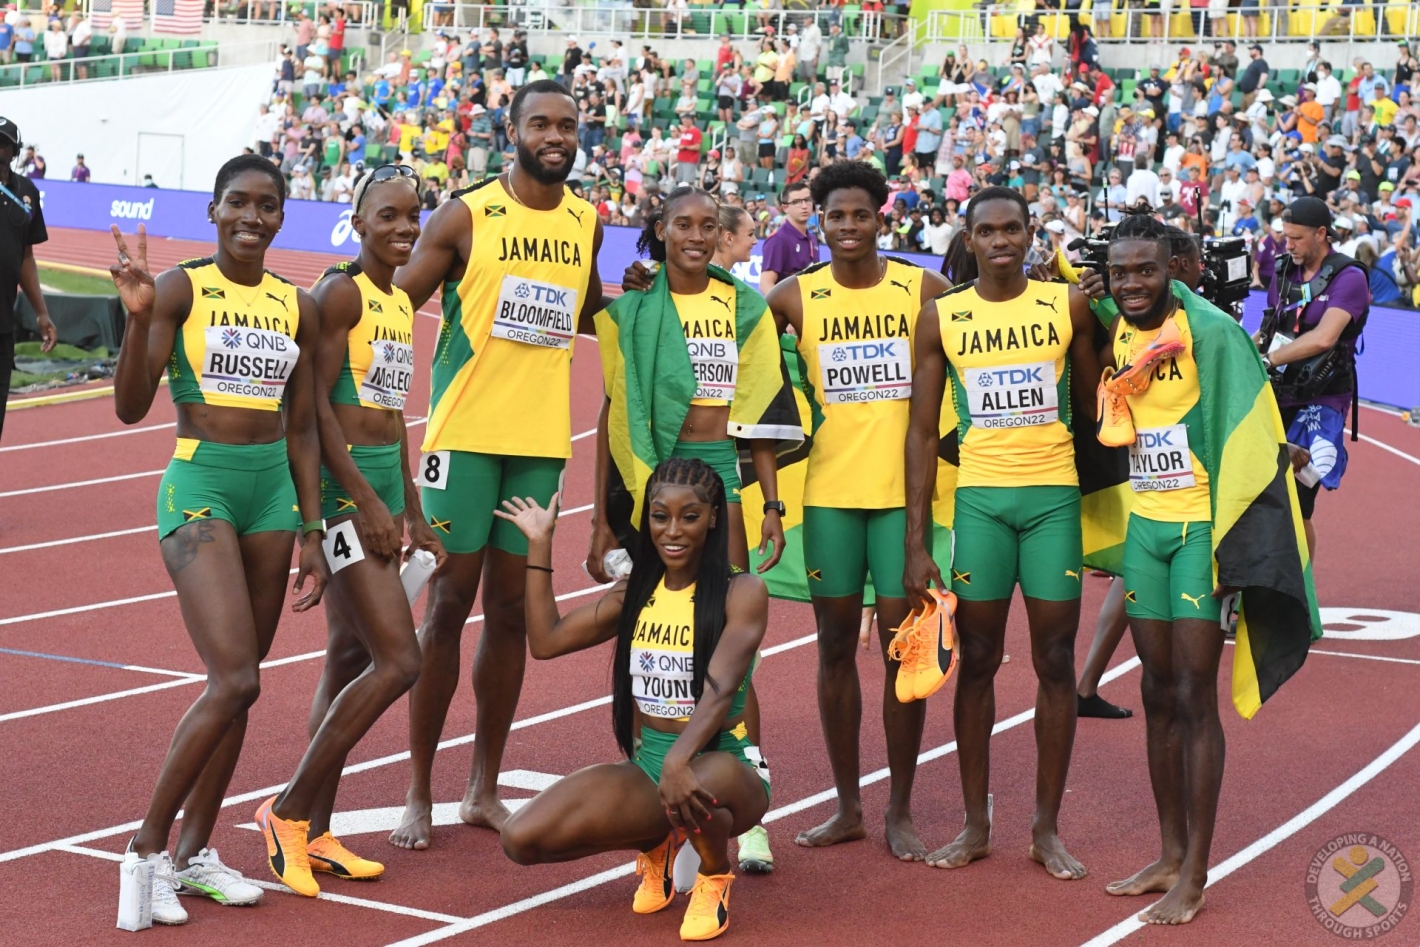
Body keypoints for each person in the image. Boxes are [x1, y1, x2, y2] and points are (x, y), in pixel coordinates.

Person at [108, 155, 329, 923]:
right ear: (213, 210)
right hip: (201, 484)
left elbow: (303, 427)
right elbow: (131, 407)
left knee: (245, 685)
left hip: (273, 492)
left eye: (267, 205)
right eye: (237, 202)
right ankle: (144, 850)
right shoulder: (180, 288)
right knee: (233, 678)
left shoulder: (296, 305)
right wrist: (138, 322)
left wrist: (311, 525)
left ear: (280, 217)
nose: (251, 216)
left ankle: (194, 852)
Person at [388, 80, 605, 850]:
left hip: (541, 446)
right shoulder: (467, 214)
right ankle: (418, 789)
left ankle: (482, 786)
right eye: (541, 123)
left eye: (568, 124)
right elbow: (399, 293)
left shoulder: (586, 221)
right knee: (447, 609)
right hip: (464, 441)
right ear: (510, 131)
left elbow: (586, 312)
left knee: (512, 616)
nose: (556, 135)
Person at [1094, 213, 1317, 924]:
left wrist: (1232, 543)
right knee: (1154, 688)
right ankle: (1166, 851)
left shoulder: (1211, 335)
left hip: (1198, 534)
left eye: (1146, 270)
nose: (1133, 283)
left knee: (1193, 694)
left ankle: (1196, 870)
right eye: (1120, 271)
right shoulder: (1120, 328)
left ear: (1175, 268)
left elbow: (1252, 437)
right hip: (1145, 531)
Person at [594, 185, 800, 875]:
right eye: (683, 224)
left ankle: (750, 816)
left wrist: (770, 501)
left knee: (733, 652)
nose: (697, 235)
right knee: (653, 636)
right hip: (656, 481)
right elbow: (614, 413)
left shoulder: (741, 305)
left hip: (721, 477)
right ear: (660, 228)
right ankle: (659, 804)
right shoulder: (634, 310)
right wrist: (602, 518)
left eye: (709, 226)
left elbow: (761, 411)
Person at [254, 167, 445, 895]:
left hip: (381, 492)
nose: (404, 228)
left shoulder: (398, 299)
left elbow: (391, 413)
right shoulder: (339, 294)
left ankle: (321, 830)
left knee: (345, 658)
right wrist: (363, 501)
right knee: (400, 661)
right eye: (388, 215)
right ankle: (289, 810)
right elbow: (315, 412)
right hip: (343, 496)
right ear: (357, 220)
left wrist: (413, 510)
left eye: (413, 217)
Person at [904, 186, 1100, 879]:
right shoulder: (941, 316)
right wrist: (916, 539)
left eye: (1012, 228)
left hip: (1052, 502)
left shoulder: (1064, 306)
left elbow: (1097, 407)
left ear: (1031, 233)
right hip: (981, 505)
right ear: (968, 236)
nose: (1000, 241)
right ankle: (975, 823)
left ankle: (1046, 830)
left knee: (1055, 660)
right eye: (986, 230)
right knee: (978, 658)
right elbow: (922, 431)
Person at [498, 458, 771, 941]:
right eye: (660, 515)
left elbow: (720, 688)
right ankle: (655, 844)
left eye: (689, 516)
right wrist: (539, 546)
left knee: (691, 782)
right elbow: (546, 641)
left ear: (712, 517)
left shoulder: (741, 591)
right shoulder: (636, 593)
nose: (673, 530)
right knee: (519, 839)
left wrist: (679, 760)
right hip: (653, 766)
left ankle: (713, 876)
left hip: (728, 764)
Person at [765, 160, 951, 860]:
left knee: (907, 655)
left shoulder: (921, 289)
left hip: (903, 505)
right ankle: (848, 805)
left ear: (883, 217)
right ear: (818, 220)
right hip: (831, 500)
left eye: (860, 215)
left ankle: (899, 808)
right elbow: (731, 334)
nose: (847, 227)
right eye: (834, 216)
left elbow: (989, 312)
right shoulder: (793, 296)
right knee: (835, 648)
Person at [1262, 196, 1370, 558]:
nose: (1287, 245)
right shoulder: (1282, 271)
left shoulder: (1349, 277)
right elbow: (1270, 327)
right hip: (1278, 394)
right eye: (1285, 237)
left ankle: (1301, 591)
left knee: (1299, 501)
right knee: (1265, 496)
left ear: (1322, 234)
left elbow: (1325, 337)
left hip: (1321, 400)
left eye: (1296, 238)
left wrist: (1269, 359)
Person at [0, 117, 54, 442]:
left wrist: (42, 312)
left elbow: (26, 259)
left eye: (3, 143)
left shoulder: (27, 192)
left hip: (4, 326)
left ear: (14, 149)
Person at [758, 181, 815, 294]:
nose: (804, 206)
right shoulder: (778, 240)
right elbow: (765, 284)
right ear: (785, 208)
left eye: (807, 200)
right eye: (797, 202)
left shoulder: (812, 238)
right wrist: (786, 311)